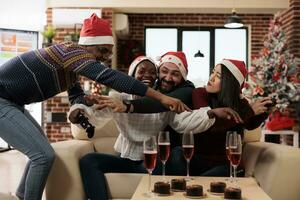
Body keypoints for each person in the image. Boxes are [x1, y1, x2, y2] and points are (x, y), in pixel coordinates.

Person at [0, 14, 187, 200]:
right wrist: (162, 98)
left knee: (40, 152)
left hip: (13, 103)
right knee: (43, 156)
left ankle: (22, 195)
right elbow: (111, 77)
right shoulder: (70, 51)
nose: (104, 58)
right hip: (2, 101)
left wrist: (81, 107)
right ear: (88, 45)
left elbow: (76, 96)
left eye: (108, 53)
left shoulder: (71, 68)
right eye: (103, 51)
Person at [70, 55, 243, 200]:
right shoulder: (117, 97)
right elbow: (95, 115)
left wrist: (211, 113)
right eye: (142, 71)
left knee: (175, 155)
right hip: (126, 159)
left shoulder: (164, 103)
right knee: (88, 160)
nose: (148, 75)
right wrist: (78, 113)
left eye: (152, 73)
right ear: (131, 76)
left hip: (151, 163)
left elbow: (185, 122)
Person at [169, 59, 272, 176]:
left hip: (223, 164)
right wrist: (249, 111)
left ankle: (195, 185)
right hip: (196, 159)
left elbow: (249, 124)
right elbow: (211, 125)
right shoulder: (200, 93)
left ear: (230, 83)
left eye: (218, 76)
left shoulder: (240, 103)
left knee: (210, 180)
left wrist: (264, 111)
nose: (211, 78)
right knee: (177, 153)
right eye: (212, 72)